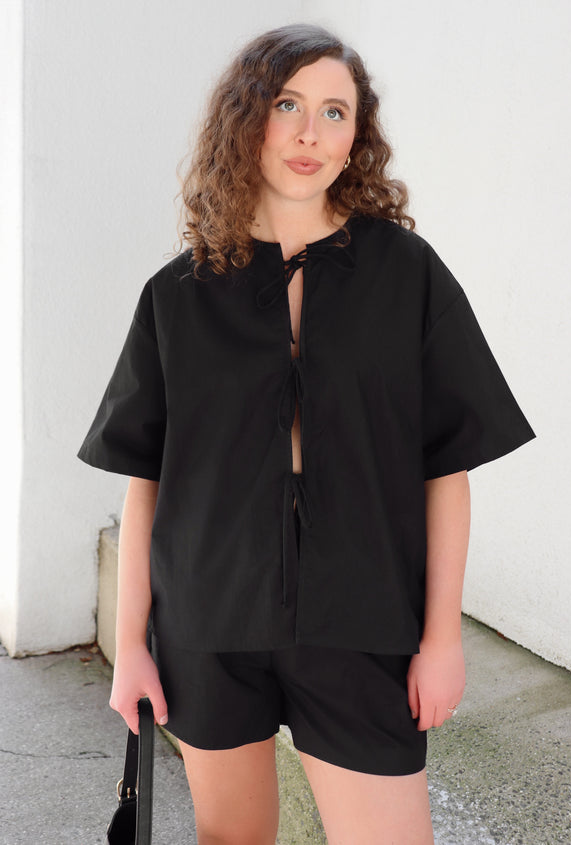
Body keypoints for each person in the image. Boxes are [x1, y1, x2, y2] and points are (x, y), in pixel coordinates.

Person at [78, 23, 535, 845]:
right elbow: (145, 481)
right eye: (287, 103)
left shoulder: (407, 274)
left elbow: (448, 469)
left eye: (335, 112)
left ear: (358, 136)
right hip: (209, 624)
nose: (309, 133)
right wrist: (134, 645)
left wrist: (441, 640)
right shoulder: (176, 297)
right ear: (246, 115)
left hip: (363, 623)